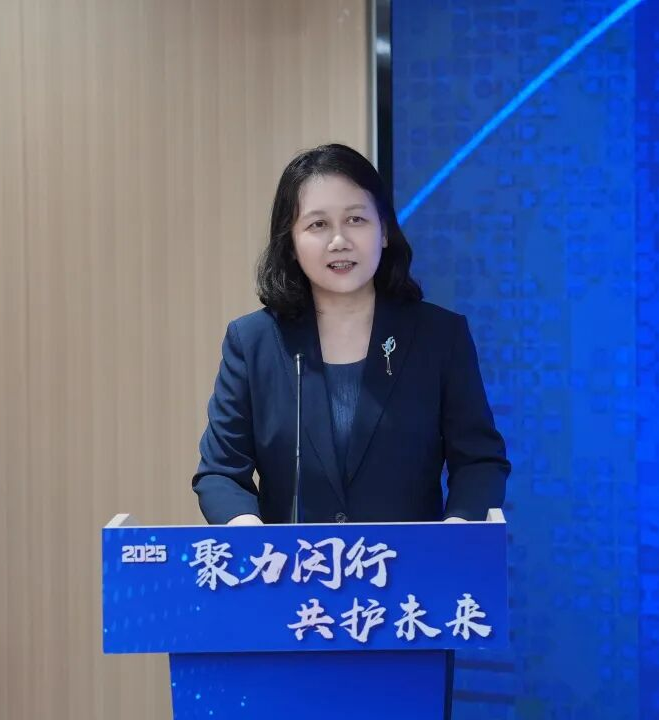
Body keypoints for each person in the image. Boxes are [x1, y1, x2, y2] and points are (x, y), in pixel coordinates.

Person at [192, 143, 509, 526]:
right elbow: (221, 472)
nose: (339, 240)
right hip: (293, 562)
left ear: (385, 230)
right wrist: (248, 532)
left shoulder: (439, 336)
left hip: (407, 562)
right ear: (290, 243)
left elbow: (479, 460)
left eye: (356, 219)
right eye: (318, 225)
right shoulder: (253, 342)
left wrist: (458, 530)